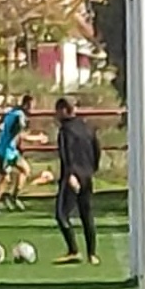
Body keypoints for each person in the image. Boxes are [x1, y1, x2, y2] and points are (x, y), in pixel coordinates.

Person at [52, 97, 102, 265]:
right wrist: (92, 169)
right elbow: (97, 150)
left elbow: (67, 155)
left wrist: (71, 175)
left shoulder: (65, 131)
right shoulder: (88, 127)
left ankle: (74, 250)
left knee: (61, 215)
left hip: (72, 176)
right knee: (86, 214)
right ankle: (92, 254)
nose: (56, 115)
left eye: (57, 110)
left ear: (64, 110)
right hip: (87, 175)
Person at [0, 94, 37, 215]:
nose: (32, 109)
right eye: (31, 106)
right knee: (5, 178)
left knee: (25, 170)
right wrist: (36, 138)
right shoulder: (19, 117)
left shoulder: (12, 111)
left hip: (10, 150)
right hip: (6, 151)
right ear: (26, 105)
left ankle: (13, 197)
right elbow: (18, 134)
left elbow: (0, 125)